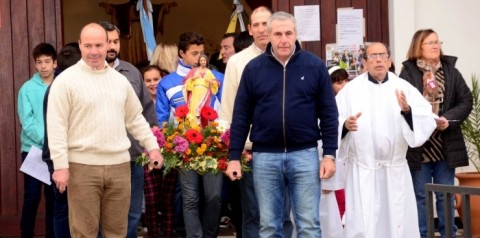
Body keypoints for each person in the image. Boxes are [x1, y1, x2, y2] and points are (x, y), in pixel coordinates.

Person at [225, 11, 338, 237]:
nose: (284, 39)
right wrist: (234, 157)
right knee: (268, 227)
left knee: (309, 225)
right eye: (277, 34)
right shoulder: (254, 69)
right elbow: (240, 116)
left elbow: (328, 113)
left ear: (296, 34)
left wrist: (329, 154)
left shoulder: (314, 66)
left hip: (305, 154)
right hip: (265, 157)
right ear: (269, 35)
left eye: (288, 33)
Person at [46, 23, 163, 237]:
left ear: (107, 45)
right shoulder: (65, 81)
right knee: (84, 232)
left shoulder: (120, 81)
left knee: (117, 232)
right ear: (80, 45)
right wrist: (60, 166)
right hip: (82, 168)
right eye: (88, 45)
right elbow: (56, 127)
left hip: (120, 167)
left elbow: (135, 118)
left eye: (98, 45)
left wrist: (152, 147)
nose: (93, 51)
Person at [335, 42, 437, 237]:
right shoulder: (350, 91)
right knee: (363, 223)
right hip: (362, 169)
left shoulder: (403, 87)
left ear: (390, 60)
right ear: (364, 62)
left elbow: (427, 118)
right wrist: (345, 126)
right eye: (373, 56)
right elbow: (333, 120)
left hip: (395, 169)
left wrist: (407, 111)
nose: (378, 60)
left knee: (397, 222)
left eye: (382, 55)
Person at [399, 29, 473, 238]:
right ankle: (422, 234)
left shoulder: (450, 70)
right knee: (421, 195)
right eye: (430, 42)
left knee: (445, 194)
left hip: (445, 144)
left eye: (437, 42)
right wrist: (422, 120)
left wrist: (447, 119)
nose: (435, 46)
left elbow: (466, 100)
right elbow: (402, 104)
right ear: (418, 47)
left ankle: (448, 234)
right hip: (419, 146)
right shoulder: (408, 72)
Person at [156, 31, 224, 238]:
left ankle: (209, 235)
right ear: (181, 54)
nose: (199, 58)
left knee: (214, 197)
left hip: (213, 146)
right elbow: (162, 119)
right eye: (194, 53)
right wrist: (171, 142)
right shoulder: (167, 83)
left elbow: (227, 111)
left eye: (202, 53)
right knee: (190, 198)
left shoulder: (217, 78)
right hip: (184, 147)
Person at [98, 20, 157, 238]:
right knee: (100, 217)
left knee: (132, 214)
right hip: (100, 159)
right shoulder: (86, 75)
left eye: (115, 41)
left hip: (132, 158)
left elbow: (147, 112)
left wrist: (151, 147)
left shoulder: (132, 73)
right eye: (107, 41)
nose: (112, 46)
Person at [17, 42, 57, 238]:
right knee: (32, 197)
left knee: (54, 198)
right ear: (35, 65)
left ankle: (52, 234)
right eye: (39, 62)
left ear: (55, 63)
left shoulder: (62, 85)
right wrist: (46, 141)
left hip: (57, 152)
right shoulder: (27, 88)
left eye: (47, 62)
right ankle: (27, 234)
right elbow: (27, 121)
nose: (43, 66)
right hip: (33, 150)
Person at [42, 42, 81, 238]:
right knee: (65, 210)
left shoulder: (56, 86)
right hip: (62, 159)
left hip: (58, 158)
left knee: (63, 209)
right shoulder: (60, 89)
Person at [148, 42, 180, 238]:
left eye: (157, 79)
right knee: (151, 199)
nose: (153, 83)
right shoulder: (141, 102)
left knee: (169, 199)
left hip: (171, 151)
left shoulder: (172, 95)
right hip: (148, 155)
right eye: (148, 80)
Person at [182, 53, 220, 125]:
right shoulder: (194, 70)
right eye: (201, 60)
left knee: (202, 111)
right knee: (193, 109)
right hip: (195, 93)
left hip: (204, 93)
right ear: (199, 61)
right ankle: (194, 127)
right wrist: (193, 78)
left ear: (206, 61)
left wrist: (210, 81)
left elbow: (215, 82)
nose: (203, 62)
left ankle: (201, 127)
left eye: (204, 60)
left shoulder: (209, 72)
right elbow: (186, 82)